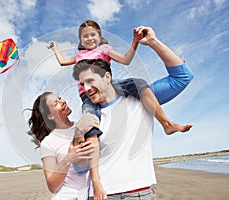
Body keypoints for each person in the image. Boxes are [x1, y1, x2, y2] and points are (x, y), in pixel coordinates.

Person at [72, 26, 193, 199]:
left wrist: (153, 42)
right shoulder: (89, 116)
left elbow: (183, 77)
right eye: (82, 84)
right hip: (101, 195)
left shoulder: (143, 98)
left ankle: (168, 125)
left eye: (91, 81)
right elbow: (79, 166)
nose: (87, 89)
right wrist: (78, 134)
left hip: (140, 194)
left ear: (107, 77)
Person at [48, 19, 193, 138]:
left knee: (139, 84)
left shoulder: (104, 50)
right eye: (85, 36)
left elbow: (125, 59)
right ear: (81, 40)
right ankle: (91, 145)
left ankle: (167, 124)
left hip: (111, 88)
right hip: (86, 97)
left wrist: (138, 41)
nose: (89, 38)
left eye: (93, 35)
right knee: (89, 114)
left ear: (99, 37)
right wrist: (55, 48)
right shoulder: (79, 56)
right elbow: (62, 61)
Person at [27, 92, 99, 199]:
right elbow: (52, 186)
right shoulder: (48, 143)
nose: (63, 102)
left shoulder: (83, 125)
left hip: (92, 192)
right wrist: (68, 159)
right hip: (68, 195)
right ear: (50, 116)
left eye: (60, 98)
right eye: (56, 103)